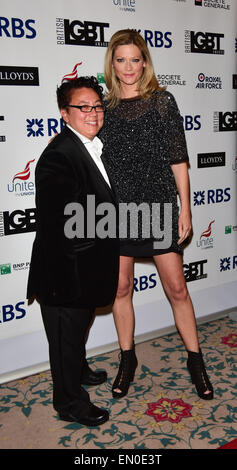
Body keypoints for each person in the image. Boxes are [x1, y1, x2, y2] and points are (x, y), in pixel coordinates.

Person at [99, 29, 213, 400]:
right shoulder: (104, 108)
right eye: (121, 60)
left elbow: (179, 160)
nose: (128, 67)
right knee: (121, 287)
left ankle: (196, 361)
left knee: (177, 288)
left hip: (160, 206)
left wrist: (186, 209)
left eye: (135, 59)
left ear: (144, 62)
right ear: (112, 65)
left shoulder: (163, 101)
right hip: (118, 210)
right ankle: (127, 359)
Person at [27, 76, 119, 426]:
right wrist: (70, 287)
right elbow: (58, 227)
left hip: (84, 266)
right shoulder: (60, 156)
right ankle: (70, 403)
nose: (93, 113)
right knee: (65, 335)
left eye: (97, 106)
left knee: (76, 332)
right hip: (64, 272)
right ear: (64, 113)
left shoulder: (88, 146)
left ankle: (78, 370)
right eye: (83, 107)